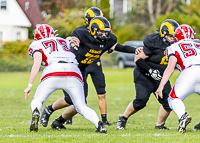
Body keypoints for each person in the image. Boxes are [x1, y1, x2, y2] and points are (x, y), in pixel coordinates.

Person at [40, 16, 141, 130]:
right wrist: (73, 42)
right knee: (71, 99)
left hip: (81, 70)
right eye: (101, 33)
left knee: (80, 102)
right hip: (69, 68)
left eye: (106, 33)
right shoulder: (82, 34)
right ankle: (49, 109)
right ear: (93, 30)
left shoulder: (108, 40)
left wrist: (135, 50)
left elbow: (119, 47)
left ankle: (58, 122)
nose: (104, 36)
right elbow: (72, 38)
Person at [23, 24, 107, 133]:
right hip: (73, 70)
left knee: (38, 99)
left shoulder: (36, 43)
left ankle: (35, 111)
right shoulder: (63, 41)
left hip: (53, 70)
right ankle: (99, 124)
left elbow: (37, 63)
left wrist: (29, 85)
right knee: (81, 106)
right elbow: (70, 41)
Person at [116, 19, 179, 130]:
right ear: (163, 34)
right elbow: (138, 59)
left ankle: (159, 125)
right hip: (144, 73)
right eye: (170, 36)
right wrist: (150, 71)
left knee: (169, 102)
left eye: (174, 36)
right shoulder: (154, 41)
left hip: (161, 76)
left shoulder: (176, 44)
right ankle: (123, 118)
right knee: (141, 100)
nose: (173, 39)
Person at [155, 24, 199, 133]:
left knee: (173, 99)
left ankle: (183, 117)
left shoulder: (173, 46)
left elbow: (170, 68)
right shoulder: (198, 44)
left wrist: (160, 86)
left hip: (189, 71)